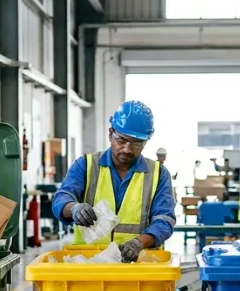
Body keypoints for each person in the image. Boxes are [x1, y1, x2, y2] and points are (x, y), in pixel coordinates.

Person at [54, 100, 177, 261]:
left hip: (137, 265)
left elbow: (165, 220)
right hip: (89, 263)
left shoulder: (158, 174)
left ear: (146, 141)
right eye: (122, 140)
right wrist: (75, 208)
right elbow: (62, 198)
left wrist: (139, 243)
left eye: (137, 143)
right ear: (111, 133)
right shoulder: (86, 166)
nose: (127, 149)